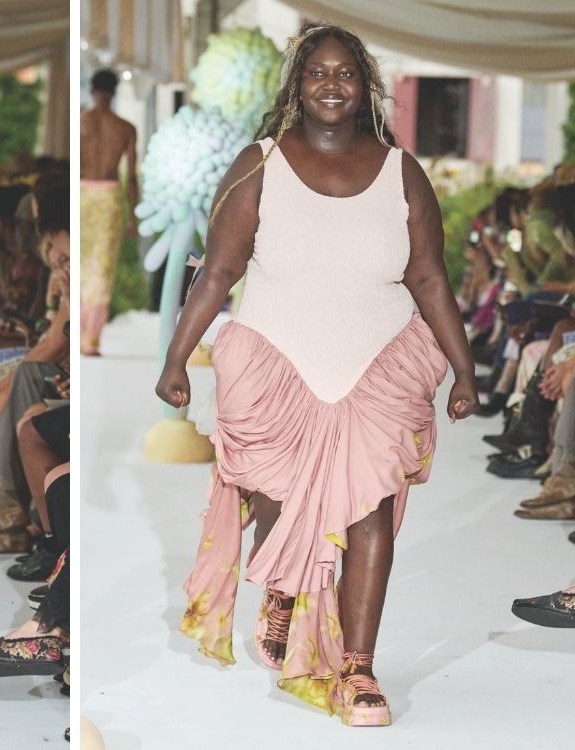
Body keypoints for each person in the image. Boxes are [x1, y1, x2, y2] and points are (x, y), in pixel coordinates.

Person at [155, 25, 478, 727]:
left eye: (346, 75)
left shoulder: (403, 172)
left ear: (366, 87)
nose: (331, 86)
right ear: (296, 86)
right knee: (278, 500)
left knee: (369, 512)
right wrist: (175, 356)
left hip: (378, 364)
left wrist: (465, 368)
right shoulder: (260, 164)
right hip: (277, 362)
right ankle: (285, 588)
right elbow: (219, 271)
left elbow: (428, 275)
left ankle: (358, 669)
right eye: (317, 74)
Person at [80, 68, 137, 356]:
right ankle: (90, 338)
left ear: (92, 90)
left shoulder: (81, 124)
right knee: (101, 267)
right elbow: (133, 177)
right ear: (115, 92)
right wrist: (134, 217)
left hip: (81, 194)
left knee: (78, 261)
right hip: (109, 197)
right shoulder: (125, 128)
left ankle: (76, 331)